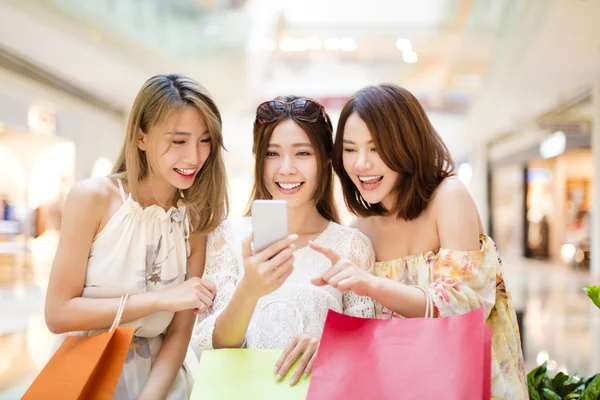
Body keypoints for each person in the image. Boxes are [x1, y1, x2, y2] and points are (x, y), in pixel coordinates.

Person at [310, 84, 527, 399]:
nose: (360, 163)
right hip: (406, 386)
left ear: (407, 144)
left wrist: (369, 284)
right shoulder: (361, 229)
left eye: (376, 147)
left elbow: (461, 307)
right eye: (350, 148)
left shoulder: (449, 197)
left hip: (469, 383)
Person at [44, 74, 228, 399]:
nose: (195, 157)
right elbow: (58, 314)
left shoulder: (194, 221)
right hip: (85, 375)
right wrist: (159, 300)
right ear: (141, 137)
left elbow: (179, 332)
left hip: (161, 381)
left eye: (204, 140)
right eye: (178, 140)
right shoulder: (94, 199)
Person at [192, 96, 375, 386]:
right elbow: (211, 345)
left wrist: (331, 341)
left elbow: (368, 347)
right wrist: (249, 291)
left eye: (302, 153)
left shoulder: (352, 245)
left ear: (326, 158)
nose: (286, 168)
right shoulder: (228, 235)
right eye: (271, 154)